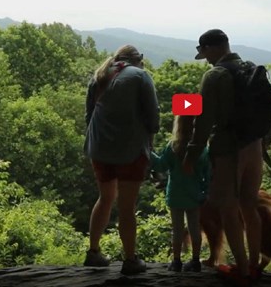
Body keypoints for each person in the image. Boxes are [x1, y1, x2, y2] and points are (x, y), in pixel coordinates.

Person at [182, 29, 263, 286]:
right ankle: (254, 264)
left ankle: (241, 269)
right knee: (250, 206)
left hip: (228, 150)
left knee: (228, 208)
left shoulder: (214, 76)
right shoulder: (251, 69)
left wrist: (191, 155)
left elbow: (203, 122)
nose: (204, 59)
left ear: (209, 48)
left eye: (203, 53)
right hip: (255, 146)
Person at [83, 45, 160, 275]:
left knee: (105, 198)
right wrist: (151, 136)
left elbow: (89, 116)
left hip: (99, 149)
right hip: (130, 150)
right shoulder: (140, 76)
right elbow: (153, 114)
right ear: (138, 59)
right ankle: (130, 260)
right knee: (126, 207)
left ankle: (93, 253)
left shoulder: (99, 75)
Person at [150, 115, 211, 273]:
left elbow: (161, 165)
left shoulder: (172, 147)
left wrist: (149, 153)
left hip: (176, 195)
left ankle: (176, 262)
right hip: (194, 195)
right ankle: (195, 261)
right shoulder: (202, 149)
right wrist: (205, 191)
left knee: (177, 229)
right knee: (194, 228)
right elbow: (208, 173)